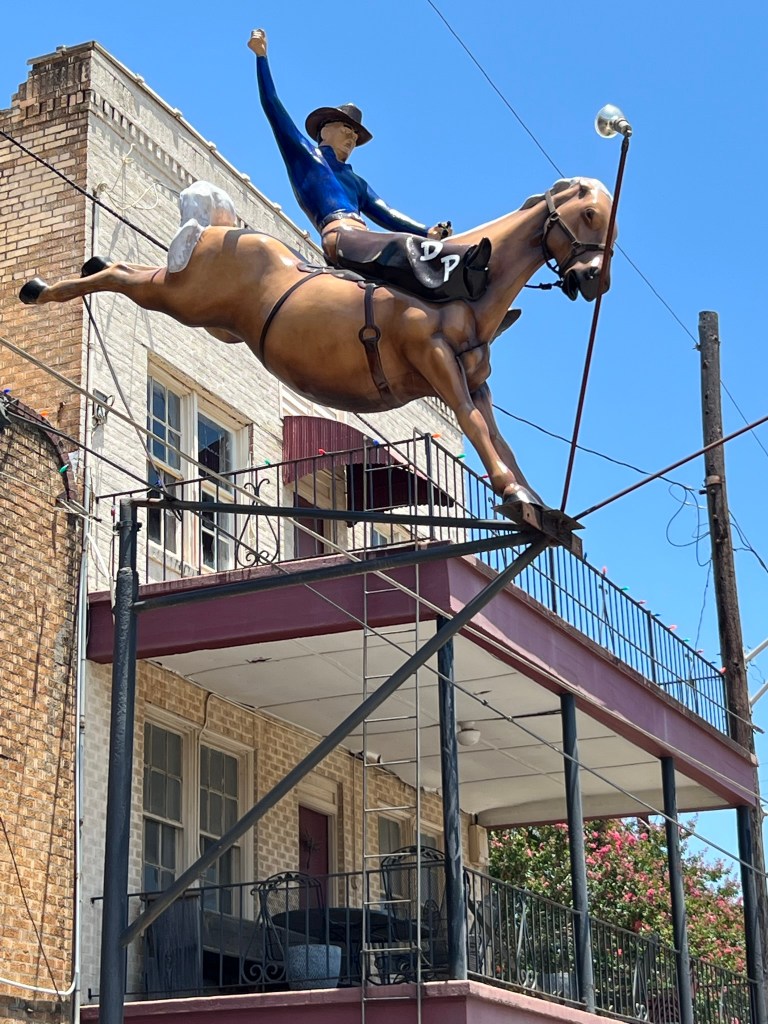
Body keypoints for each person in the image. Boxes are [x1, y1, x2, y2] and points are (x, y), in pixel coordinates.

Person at [248, 29, 490, 303]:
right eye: (347, 130)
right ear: (325, 130)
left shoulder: (356, 183)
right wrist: (262, 58)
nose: (352, 138)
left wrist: (427, 232)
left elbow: (387, 213)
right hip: (339, 237)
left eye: (355, 136)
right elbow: (273, 107)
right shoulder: (306, 156)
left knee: (407, 282)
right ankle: (466, 270)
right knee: (401, 246)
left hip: (362, 239)